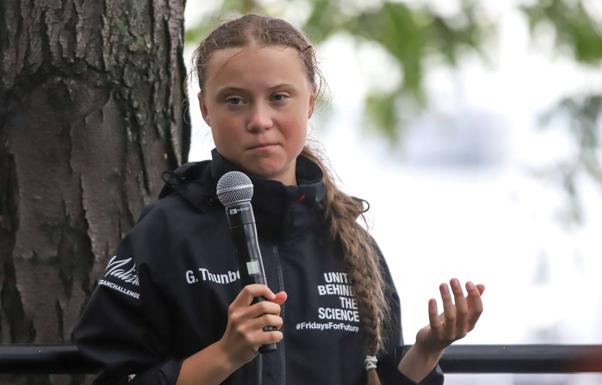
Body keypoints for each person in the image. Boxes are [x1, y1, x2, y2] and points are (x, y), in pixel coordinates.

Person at [72, 14, 485, 385]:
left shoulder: (350, 244)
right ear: (204, 109)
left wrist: (429, 349)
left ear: (310, 101)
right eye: (234, 100)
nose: (259, 121)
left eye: (278, 97)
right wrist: (224, 355)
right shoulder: (165, 231)